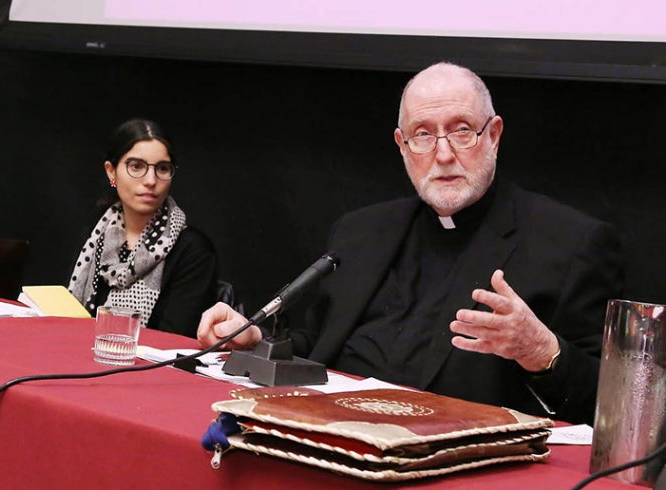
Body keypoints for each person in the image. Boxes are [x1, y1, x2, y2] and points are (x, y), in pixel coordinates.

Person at [197, 63, 622, 424]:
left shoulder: (569, 243)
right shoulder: (361, 231)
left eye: (461, 131)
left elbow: (613, 405)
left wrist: (543, 352)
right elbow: (320, 348)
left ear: (493, 135)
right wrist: (256, 341)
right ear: (402, 146)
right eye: (422, 134)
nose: (442, 154)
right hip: (330, 434)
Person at [69, 119, 218, 337]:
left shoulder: (193, 250)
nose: (150, 180)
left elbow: (175, 342)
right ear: (112, 172)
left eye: (162, 168)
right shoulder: (97, 234)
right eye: (136, 166)